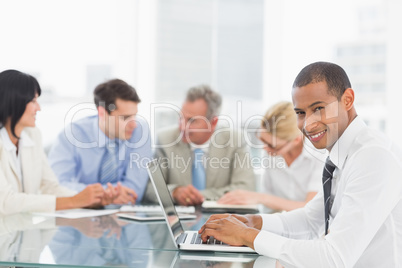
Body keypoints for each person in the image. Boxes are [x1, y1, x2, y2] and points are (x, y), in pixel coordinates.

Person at [199, 62, 402, 267]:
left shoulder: (373, 157)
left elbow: (334, 258)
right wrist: (253, 222)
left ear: (348, 99)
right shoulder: (340, 154)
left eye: (319, 108)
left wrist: (247, 236)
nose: (308, 124)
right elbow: (311, 219)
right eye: (301, 113)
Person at [0, 69, 115, 215]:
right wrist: (75, 201)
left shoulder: (33, 135)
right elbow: (5, 202)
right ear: (14, 102)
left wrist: (90, 200)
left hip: (22, 231)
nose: (39, 108)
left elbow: (50, 187)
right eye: (33, 101)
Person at [145, 85, 255, 206]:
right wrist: (175, 192)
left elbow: (245, 189)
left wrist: (198, 196)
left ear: (213, 122)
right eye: (181, 117)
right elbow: (150, 188)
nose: (182, 126)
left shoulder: (236, 141)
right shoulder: (166, 139)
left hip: (222, 220)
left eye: (192, 121)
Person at [48, 79, 152, 204]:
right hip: (81, 216)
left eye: (135, 115)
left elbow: (135, 191)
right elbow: (57, 186)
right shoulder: (71, 136)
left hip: (126, 215)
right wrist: (105, 195)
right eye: (125, 118)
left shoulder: (140, 131)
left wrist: (99, 195)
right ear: (102, 113)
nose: (133, 124)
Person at [218, 101, 324, 211]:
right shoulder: (271, 153)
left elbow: (311, 209)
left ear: (296, 140)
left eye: (272, 145)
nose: (265, 148)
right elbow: (269, 207)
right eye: (263, 140)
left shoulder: (319, 156)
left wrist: (260, 198)